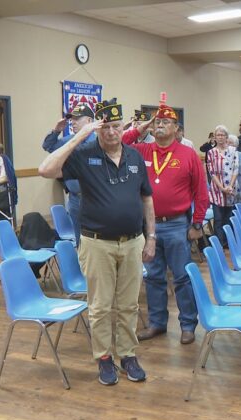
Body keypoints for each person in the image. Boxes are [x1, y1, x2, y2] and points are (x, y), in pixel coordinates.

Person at [38, 98, 155, 386]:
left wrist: (151, 237)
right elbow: (45, 169)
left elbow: (147, 198)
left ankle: (127, 355)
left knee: (129, 305)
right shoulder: (84, 155)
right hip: (97, 243)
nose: (112, 132)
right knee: (101, 306)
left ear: (123, 126)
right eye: (105, 127)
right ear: (97, 128)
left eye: (116, 126)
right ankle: (104, 358)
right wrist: (80, 135)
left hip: (132, 242)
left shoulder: (135, 156)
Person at [121, 104, 209, 345]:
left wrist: (198, 223)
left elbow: (201, 192)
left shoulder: (187, 154)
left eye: (165, 122)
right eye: (156, 122)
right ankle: (157, 323)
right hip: (148, 227)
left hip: (177, 226)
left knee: (181, 277)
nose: (160, 126)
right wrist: (140, 128)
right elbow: (120, 144)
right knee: (153, 277)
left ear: (176, 128)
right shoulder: (142, 151)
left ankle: (188, 325)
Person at [41, 102, 97, 243]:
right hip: (75, 199)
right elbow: (48, 146)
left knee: (95, 238)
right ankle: (81, 263)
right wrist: (56, 131)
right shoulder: (69, 140)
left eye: (77, 119)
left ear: (90, 121)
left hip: (95, 198)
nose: (73, 122)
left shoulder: (99, 141)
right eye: (71, 119)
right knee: (79, 239)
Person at [207, 125, 240, 245]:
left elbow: (236, 169)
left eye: (222, 135)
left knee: (228, 218)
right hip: (217, 190)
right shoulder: (211, 152)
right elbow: (211, 172)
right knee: (218, 219)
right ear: (214, 137)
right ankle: (219, 244)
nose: (220, 137)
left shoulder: (233, 150)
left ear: (226, 137)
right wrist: (222, 188)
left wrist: (229, 186)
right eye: (218, 135)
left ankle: (228, 243)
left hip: (230, 189)